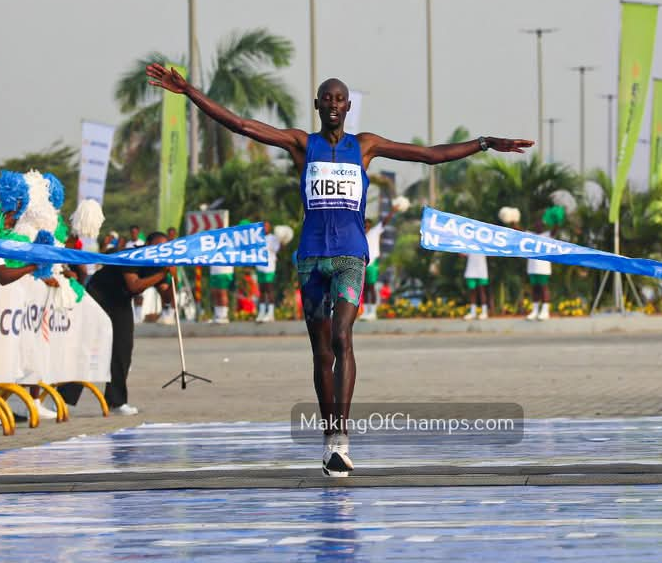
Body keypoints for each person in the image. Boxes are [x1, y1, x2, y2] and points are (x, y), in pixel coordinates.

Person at [146, 63, 531, 476]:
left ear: (348, 107)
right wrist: (190, 92)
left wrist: (485, 142)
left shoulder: (364, 146)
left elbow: (430, 156)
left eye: (339, 98)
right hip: (311, 259)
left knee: (343, 338)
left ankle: (341, 442)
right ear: (317, 105)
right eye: (326, 98)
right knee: (321, 350)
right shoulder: (300, 144)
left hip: (350, 255)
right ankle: (329, 439)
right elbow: (241, 125)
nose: (333, 104)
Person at [73, 231, 174, 416]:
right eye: (157, 247)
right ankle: (65, 399)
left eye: (164, 248)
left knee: (123, 348)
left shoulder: (160, 266)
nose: (160, 251)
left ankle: (116, 401)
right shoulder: (133, 257)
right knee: (88, 347)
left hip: (120, 301)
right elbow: (134, 286)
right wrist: (162, 275)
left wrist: (173, 279)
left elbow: (167, 299)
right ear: (147, 246)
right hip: (99, 294)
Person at [362, 208, 397, 321]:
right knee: (365, 288)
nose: (366, 227)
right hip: (362, 263)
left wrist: (392, 211)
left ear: (370, 226)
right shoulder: (360, 235)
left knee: (371, 287)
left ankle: (372, 312)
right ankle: (366, 312)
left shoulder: (374, 232)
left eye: (368, 225)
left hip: (373, 263)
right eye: (364, 226)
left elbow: (385, 221)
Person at [255, 222, 283, 323]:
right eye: (262, 226)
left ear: (269, 228)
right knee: (261, 290)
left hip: (269, 267)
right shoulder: (257, 238)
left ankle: (270, 313)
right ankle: (262, 312)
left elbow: (278, 249)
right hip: (259, 267)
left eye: (266, 226)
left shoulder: (273, 238)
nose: (264, 228)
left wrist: (282, 242)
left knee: (269, 289)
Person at [462, 252, 491, 321]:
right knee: (472, 291)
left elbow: (490, 254)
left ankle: (484, 312)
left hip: (482, 270)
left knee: (482, 290)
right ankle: (473, 313)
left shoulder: (484, 242)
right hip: (471, 270)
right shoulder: (469, 243)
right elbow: (462, 254)